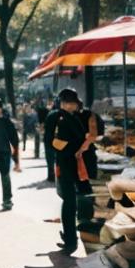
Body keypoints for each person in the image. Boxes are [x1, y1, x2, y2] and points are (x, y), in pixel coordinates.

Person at [45, 87, 92, 253]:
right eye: (72, 103)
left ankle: (70, 237)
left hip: (74, 163)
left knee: (71, 201)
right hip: (65, 164)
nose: (74, 106)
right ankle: (71, 239)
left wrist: (81, 146)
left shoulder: (72, 116)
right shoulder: (56, 117)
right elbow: (51, 142)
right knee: (69, 202)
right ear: (65, 103)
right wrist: (74, 148)